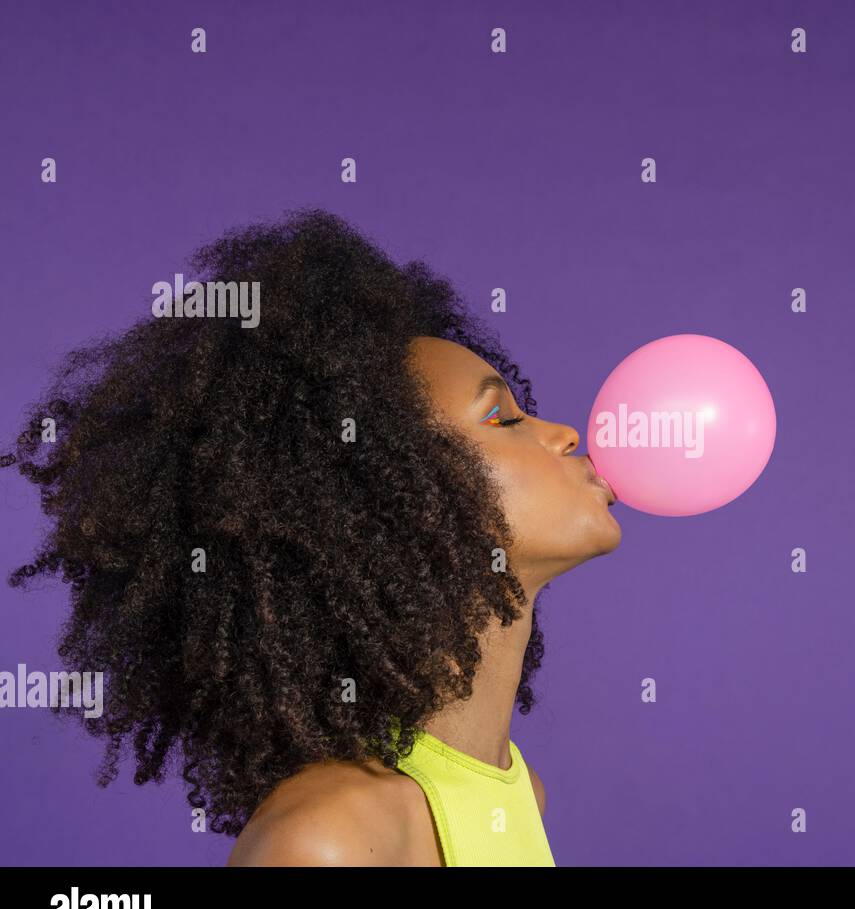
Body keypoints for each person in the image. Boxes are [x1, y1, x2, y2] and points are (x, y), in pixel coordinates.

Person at [2, 208, 622, 865]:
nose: (564, 433)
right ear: (390, 500)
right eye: (502, 417)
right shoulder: (328, 838)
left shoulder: (520, 793)